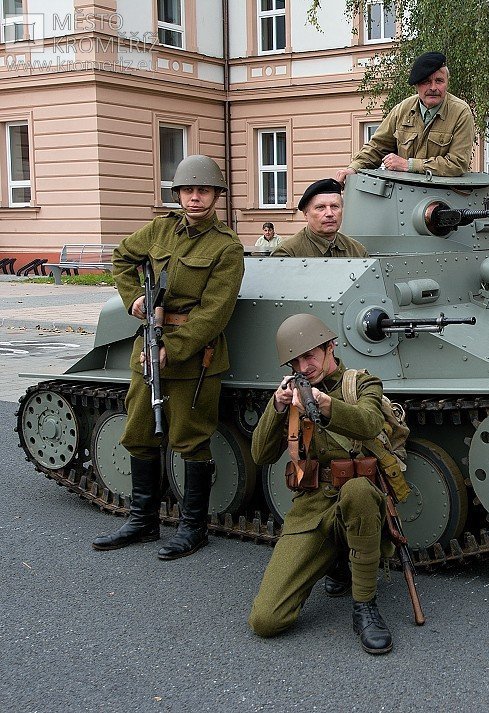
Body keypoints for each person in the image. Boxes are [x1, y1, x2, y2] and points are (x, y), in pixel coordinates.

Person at [93, 155, 244, 560]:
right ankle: (143, 521)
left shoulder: (226, 246)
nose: (195, 198)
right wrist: (135, 299)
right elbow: (123, 257)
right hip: (149, 346)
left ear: (216, 196)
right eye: (188, 191)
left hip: (197, 358)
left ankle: (194, 528)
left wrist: (172, 350)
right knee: (139, 431)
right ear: (177, 194)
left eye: (204, 191)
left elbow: (216, 311)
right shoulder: (160, 231)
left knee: (191, 440)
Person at [248, 314, 395, 655]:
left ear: (331, 346)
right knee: (266, 620)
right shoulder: (292, 395)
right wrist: (276, 406)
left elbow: (370, 422)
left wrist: (328, 406)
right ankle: (334, 559)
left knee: (358, 490)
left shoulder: (361, 384)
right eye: (296, 360)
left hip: (358, 500)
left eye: (310, 354)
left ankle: (364, 606)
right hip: (312, 506)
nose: (305, 365)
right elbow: (260, 455)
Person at [336, 52, 474, 184]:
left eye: (439, 81)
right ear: (416, 85)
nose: (433, 87)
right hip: (403, 193)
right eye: (426, 82)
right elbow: (377, 146)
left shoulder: (461, 112)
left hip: (443, 196)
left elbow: (457, 163)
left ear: (447, 83)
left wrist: (409, 165)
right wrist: (353, 168)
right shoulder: (402, 109)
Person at [272, 179, 368, 258]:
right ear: (306, 214)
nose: (329, 213)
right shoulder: (288, 252)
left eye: (335, 206)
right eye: (320, 207)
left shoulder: (357, 251)